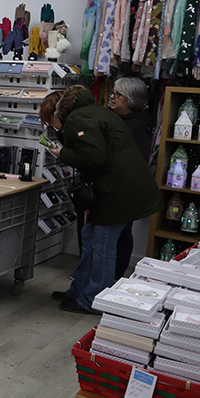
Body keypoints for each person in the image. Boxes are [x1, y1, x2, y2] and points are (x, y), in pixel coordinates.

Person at [40, 84, 161, 314]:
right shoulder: (94, 112)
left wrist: (62, 152)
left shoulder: (78, 119)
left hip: (116, 190)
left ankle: (94, 300)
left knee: (102, 246)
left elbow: (93, 157)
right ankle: (80, 291)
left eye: (49, 121)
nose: (50, 127)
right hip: (115, 186)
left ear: (57, 114)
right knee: (90, 238)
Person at [108, 77, 153, 280]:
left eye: (118, 94)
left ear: (131, 99)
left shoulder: (137, 126)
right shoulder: (115, 119)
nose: (112, 97)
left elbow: (138, 160)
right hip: (114, 186)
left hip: (123, 189)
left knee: (120, 234)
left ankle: (115, 277)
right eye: (113, 92)